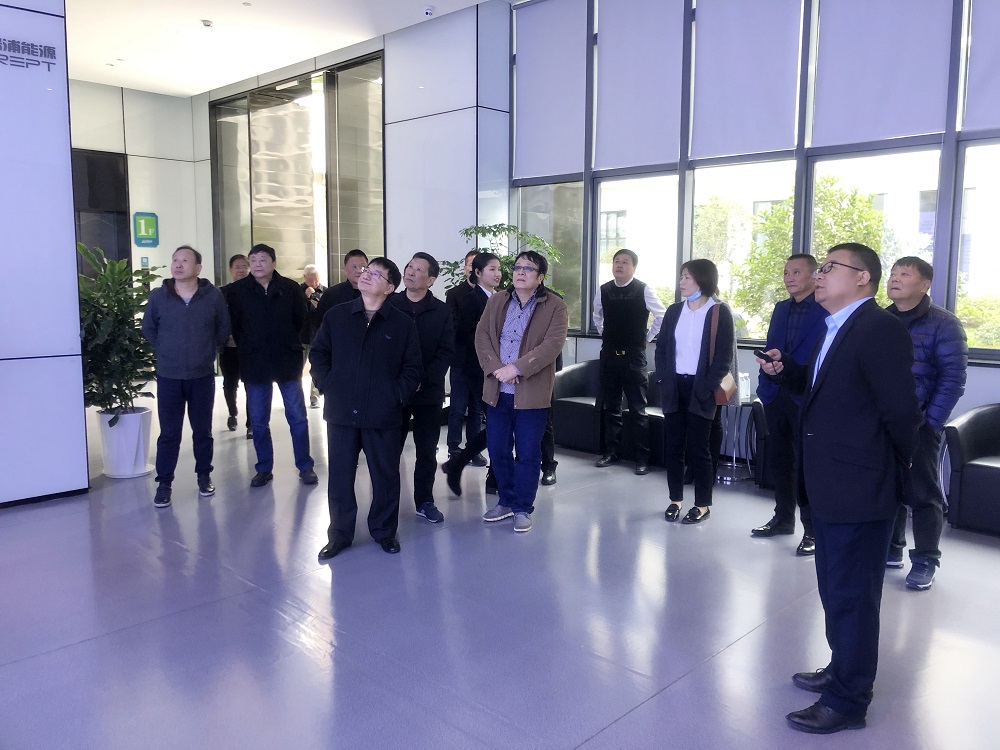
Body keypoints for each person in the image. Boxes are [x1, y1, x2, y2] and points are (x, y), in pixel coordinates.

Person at [758, 242, 918, 734]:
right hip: (828, 482)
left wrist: (891, 474)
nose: (820, 274)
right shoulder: (834, 325)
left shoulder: (879, 328)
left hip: (859, 486)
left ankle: (849, 699)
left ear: (862, 278)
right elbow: (825, 392)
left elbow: (901, 413)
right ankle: (841, 667)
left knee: (853, 596)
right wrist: (787, 372)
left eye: (830, 267)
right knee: (835, 588)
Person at [310, 258, 422, 559]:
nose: (366, 276)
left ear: (390, 287)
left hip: (383, 414)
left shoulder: (402, 324)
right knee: (340, 477)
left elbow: (413, 369)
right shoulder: (337, 316)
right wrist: (328, 384)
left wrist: (394, 396)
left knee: (385, 477)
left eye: (376, 274)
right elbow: (318, 354)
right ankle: (340, 535)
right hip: (341, 411)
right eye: (366, 271)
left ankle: (384, 531)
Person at [885, 256, 967, 590]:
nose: (894, 279)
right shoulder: (880, 319)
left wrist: (931, 422)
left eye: (904, 274)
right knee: (886, 488)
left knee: (922, 493)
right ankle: (891, 549)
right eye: (892, 273)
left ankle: (926, 559)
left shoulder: (944, 324)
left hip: (920, 424)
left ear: (925, 284)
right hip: (882, 422)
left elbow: (953, 379)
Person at [476, 250, 568, 533]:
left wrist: (516, 369)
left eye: (528, 269)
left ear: (540, 277)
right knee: (498, 450)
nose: (520, 272)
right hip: (497, 389)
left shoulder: (555, 305)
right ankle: (506, 501)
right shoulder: (498, 300)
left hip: (531, 393)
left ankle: (522, 507)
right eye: (517, 267)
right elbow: (482, 336)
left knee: (528, 453)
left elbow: (552, 345)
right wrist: (496, 368)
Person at [141, 245, 230, 508]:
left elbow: (223, 328)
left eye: (185, 260)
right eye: (175, 260)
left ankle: (204, 476)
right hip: (169, 375)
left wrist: (207, 351)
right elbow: (149, 328)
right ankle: (164, 483)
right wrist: (165, 350)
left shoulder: (212, 296)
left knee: (202, 431)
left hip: (201, 375)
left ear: (198, 268)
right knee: (169, 432)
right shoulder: (159, 296)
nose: (178, 265)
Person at [752, 254, 829, 555]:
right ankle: (783, 519)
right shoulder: (780, 308)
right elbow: (772, 346)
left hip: (806, 395)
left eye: (796, 272)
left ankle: (812, 529)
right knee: (780, 459)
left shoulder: (825, 308)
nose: (789, 278)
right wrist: (765, 374)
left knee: (807, 464)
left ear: (814, 275)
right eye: (786, 272)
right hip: (775, 392)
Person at [227, 243, 318, 488]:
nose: (258, 264)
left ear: (274, 263)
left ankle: (305, 466)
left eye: (263, 259)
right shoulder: (237, 291)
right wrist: (247, 344)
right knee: (258, 420)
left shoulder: (290, 288)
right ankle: (264, 468)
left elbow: (300, 319)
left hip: (286, 359)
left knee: (297, 417)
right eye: (253, 260)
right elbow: (235, 324)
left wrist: (287, 341)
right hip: (254, 361)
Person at [654, 260, 734, 525]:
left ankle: (702, 505)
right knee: (673, 447)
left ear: (703, 279)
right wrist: (664, 378)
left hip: (701, 388)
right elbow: (662, 349)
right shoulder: (674, 311)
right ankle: (675, 500)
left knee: (700, 449)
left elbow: (723, 356)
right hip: (674, 386)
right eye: (681, 277)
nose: (682, 282)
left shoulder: (719, 312)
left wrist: (708, 386)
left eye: (687, 277)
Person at [388, 252, 455, 525]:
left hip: (428, 392)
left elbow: (446, 352)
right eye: (409, 267)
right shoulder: (390, 305)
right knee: (389, 449)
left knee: (426, 450)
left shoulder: (442, 311)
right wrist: (402, 381)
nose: (411, 272)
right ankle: (387, 502)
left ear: (431, 279)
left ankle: (424, 500)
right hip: (395, 391)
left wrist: (421, 380)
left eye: (418, 269)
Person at [593, 248, 666, 475]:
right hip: (609, 355)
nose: (619, 265)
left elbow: (662, 315)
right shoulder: (604, 289)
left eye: (625, 262)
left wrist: (647, 338)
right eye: (616, 261)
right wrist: (605, 333)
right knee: (611, 407)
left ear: (634, 267)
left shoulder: (643, 289)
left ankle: (642, 457)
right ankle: (611, 452)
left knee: (637, 409)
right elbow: (597, 315)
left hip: (634, 357)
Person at [440, 252, 502, 494]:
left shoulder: (499, 298)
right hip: (477, 370)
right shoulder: (471, 300)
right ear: (477, 273)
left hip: (495, 370)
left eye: (499, 269)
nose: (497, 274)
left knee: (498, 423)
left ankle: (462, 465)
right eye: (491, 269)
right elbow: (465, 338)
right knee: (498, 422)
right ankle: (466, 465)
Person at [446, 249, 487, 464]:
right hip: (461, 359)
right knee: (457, 407)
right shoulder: (455, 294)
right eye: (470, 264)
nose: (473, 268)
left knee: (477, 409)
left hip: (482, 362)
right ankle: (454, 448)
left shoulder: (492, 295)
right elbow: (454, 327)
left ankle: (473, 449)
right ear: (466, 269)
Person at [219, 254, 251, 438]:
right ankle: (232, 413)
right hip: (229, 347)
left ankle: (251, 423)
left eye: (244, 266)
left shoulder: (255, 291)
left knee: (252, 384)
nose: (241, 270)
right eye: (237, 267)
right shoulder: (222, 292)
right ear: (230, 270)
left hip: (250, 348)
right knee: (229, 383)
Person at [300, 263, 326, 408]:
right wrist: (306, 298)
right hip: (302, 336)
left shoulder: (326, 292)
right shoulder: (298, 291)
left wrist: (319, 305)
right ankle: (296, 398)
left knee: (316, 367)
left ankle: (315, 397)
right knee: (297, 369)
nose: (314, 283)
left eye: (316, 279)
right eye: (311, 280)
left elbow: (327, 313)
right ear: (305, 278)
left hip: (318, 337)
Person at [315, 248, 367, 322]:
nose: (359, 271)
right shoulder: (331, 294)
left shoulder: (375, 293)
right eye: (354, 267)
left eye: (363, 267)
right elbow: (320, 322)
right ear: (345, 270)